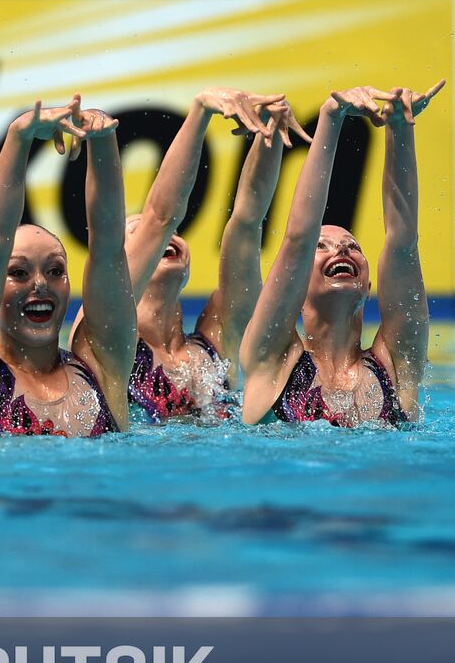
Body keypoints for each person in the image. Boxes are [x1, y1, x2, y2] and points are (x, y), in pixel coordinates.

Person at [0, 99, 137, 438]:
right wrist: (18, 138)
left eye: (55, 271)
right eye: (18, 273)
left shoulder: (102, 367)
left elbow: (109, 248)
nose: (40, 284)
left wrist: (101, 141)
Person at [240, 82, 444, 426]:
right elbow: (296, 241)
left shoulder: (394, 365)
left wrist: (400, 127)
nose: (342, 249)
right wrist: (331, 119)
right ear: (295, 289)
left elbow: (402, 242)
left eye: (352, 246)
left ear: (367, 286)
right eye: (322, 247)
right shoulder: (272, 358)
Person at [117, 89, 310, 422]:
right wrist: (200, 111)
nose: (169, 237)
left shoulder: (218, 342)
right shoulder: (106, 335)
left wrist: (271, 133)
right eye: (138, 234)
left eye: (176, 235)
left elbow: (248, 222)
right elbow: (160, 217)